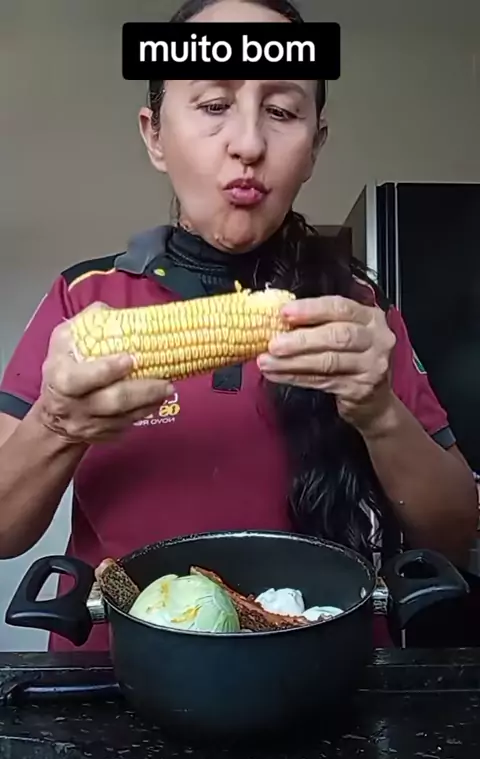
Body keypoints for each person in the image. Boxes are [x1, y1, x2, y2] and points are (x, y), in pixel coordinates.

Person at [0, 0, 477, 652]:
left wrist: (380, 414)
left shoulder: (358, 312)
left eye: (280, 112)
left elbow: (452, 534)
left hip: (323, 670)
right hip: (118, 677)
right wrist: (56, 425)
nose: (248, 144)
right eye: (214, 105)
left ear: (315, 146)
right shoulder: (84, 300)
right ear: (154, 135)